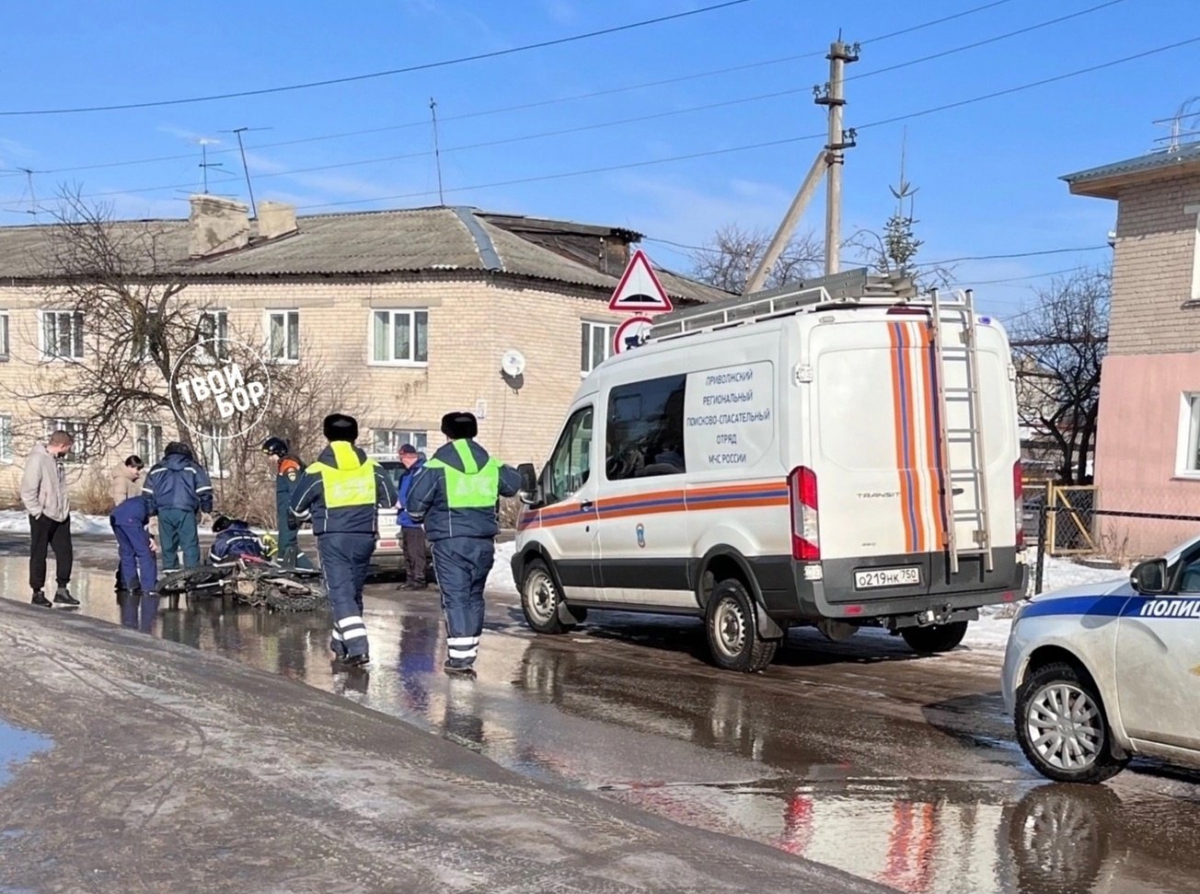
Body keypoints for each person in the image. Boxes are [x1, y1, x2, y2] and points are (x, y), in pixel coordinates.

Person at [405, 411, 521, 675]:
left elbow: (414, 506)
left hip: (450, 542)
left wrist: (422, 517)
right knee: (474, 596)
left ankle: (460, 659)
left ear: (446, 434)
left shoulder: (436, 466)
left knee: (455, 597)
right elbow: (513, 484)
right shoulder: (489, 463)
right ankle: (469, 651)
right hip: (483, 542)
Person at [289, 413, 397, 668]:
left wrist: (312, 515)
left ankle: (358, 647)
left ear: (327, 435)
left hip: (333, 538)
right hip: (365, 537)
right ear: (355, 436)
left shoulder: (317, 470)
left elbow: (296, 507)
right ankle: (340, 645)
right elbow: (390, 499)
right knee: (352, 593)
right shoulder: (373, 467)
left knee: (340, 594)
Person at [20, 430, 80, 608]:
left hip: (60, 515)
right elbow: (28, 490)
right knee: (39, 553)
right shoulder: (37, 459)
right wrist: (37, 512)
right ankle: (37, 592)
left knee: (65, 552)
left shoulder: (57, 461)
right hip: (43, 515)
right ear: (62, 445)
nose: (69, 451)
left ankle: (62, 590)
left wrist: (65, 510)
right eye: (68, 447)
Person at [142, 441, 213, 571]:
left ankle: (170, 574)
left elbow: (147, 494)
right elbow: (204, 490)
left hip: (164, 511)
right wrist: (206, 510)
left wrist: (151, 514)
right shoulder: (193, 468)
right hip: (186, 510)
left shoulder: (156, 469)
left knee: (168, 545)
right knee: (190, 545)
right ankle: (192, 573)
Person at [261, 436, 313, 569]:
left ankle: (308, 569)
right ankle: (285, 568)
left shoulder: (289, 466)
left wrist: (292, 512)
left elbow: (295, 491)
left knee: (287, 544)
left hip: (290, 513)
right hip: (285, 513)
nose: (270, 459)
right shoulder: (283, 465)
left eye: (271, 455)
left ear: (279, 452)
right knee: (285, 545)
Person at [110, 492, 159, 631]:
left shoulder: (142, 499)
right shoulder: (156, 503)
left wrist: (148, 537)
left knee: (127, 552)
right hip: (131, 518)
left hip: (115, 517)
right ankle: (149, 587)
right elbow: (149, 523)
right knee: (145, 553)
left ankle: (131, 585)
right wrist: (151, 539)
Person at [396, 443, 429, 591]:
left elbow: (419, 494)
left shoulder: (420, 472)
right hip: (405, 518)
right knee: (408, 551)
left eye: (402, 457)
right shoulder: (407, 474)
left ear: (409, 456)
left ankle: (418, 579)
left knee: (415, 551)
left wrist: (404, 503)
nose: (401, 461)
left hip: (415, 519)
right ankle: (410, 578)